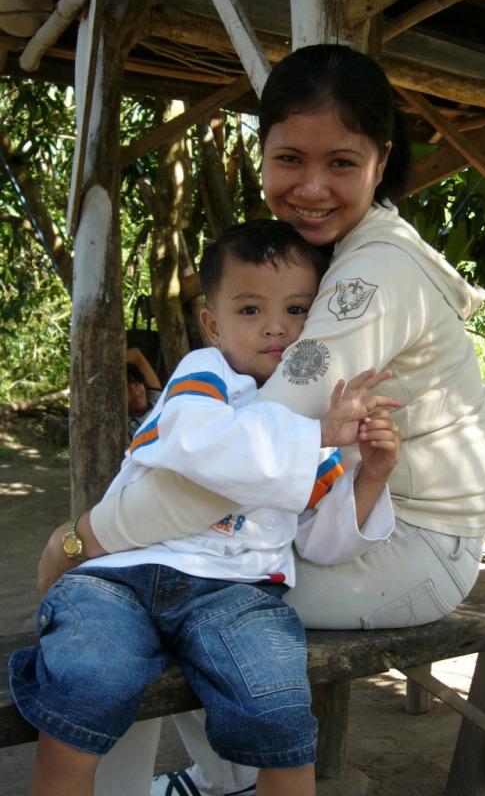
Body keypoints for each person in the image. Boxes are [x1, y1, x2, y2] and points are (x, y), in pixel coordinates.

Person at [35, 44, 485, 796]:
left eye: (341, 162)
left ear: (382, 159)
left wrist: (80, 538)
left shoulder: (371, 277)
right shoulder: (343, 249)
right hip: (356, 520)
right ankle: (221, 779)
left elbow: (241, 465)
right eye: (289, 159)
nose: (311, 188)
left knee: (159, 583)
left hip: (407, 549)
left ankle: (218, 782)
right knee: (160, 583)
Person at [11, 219, 401, 796]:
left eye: (297, 309)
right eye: (250, 310)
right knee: (84, 688)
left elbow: (322, 540)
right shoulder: (205, 374)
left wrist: (371, 474)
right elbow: (199, 448)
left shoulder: (308, 419)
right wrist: (318, 435)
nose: (276, 326)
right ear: (213, 325)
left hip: (236, 593)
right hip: (122, 578)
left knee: (280, 714)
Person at [126, 347, 162, 443]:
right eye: (127, 390)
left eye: (136, 384)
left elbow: (135, 355)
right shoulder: (125, 427)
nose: (135, 392)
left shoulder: (157, 401)